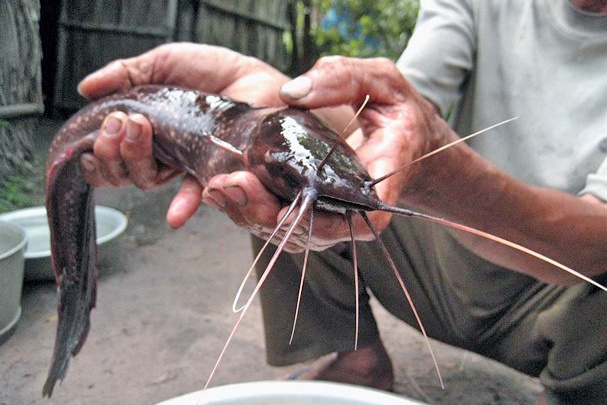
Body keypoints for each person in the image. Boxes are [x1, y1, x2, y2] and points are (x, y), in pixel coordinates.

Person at [76, 1, 607, 404]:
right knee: (270, 193)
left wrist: (441, 177)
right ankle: (355, 359)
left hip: (563, 301)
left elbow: (596, 239)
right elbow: (396, 111)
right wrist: (284, 95)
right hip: (436, 248)